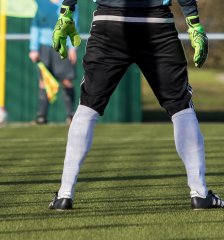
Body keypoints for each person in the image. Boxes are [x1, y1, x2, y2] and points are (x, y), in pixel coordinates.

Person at [49, 0, 224, 210]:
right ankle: (200, 193)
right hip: (155, 23)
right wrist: (193, 22)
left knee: (87, 107)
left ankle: (64, 194)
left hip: (109, 21)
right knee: (181, 108)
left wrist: (66, 11)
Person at [29, 0, 78, 125]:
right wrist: (33, 48)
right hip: (44, 48)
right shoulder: (41, 3)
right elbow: (36, 25)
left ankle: (71, 115)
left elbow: (73, 25)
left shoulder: (69, 3)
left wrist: (72, 48)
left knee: (66, 80)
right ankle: (41, 116)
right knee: (44, 81)